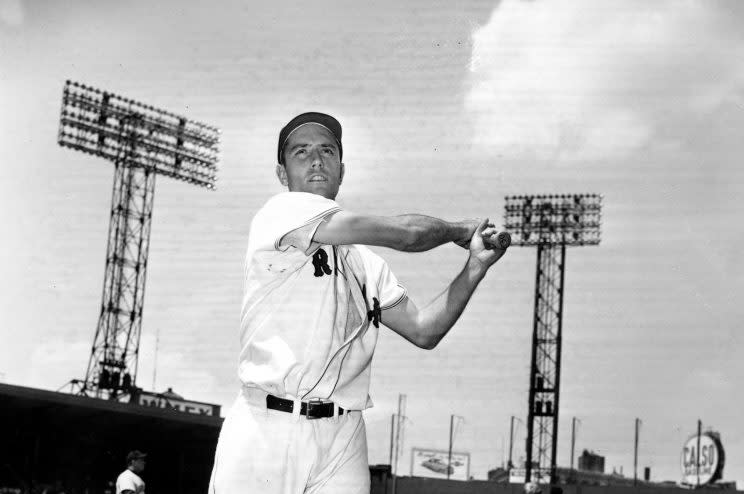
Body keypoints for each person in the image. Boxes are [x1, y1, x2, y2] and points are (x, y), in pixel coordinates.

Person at [208, 112, 508, 494]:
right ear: (282, 174)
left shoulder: (366, 262)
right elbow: (408, 235)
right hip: (268, 423)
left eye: (327, 151)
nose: (316, 159)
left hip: (343, 431)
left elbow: (424, 330)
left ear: (342, 169)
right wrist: (459, 231)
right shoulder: (279, 214)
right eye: (301, 152)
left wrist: (475, 266)